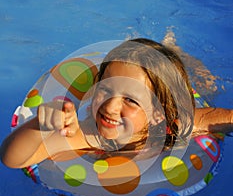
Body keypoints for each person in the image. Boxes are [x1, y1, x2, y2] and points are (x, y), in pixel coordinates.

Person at [1, 36, 233, 169]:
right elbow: (12, 159)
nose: (110, 107)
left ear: (158, 113)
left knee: (208, 85)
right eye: (105, 90)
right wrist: (39, 126)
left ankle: (174, 48)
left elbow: (225, 119)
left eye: (130, 100)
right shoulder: (87, 133)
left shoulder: (176, 124)